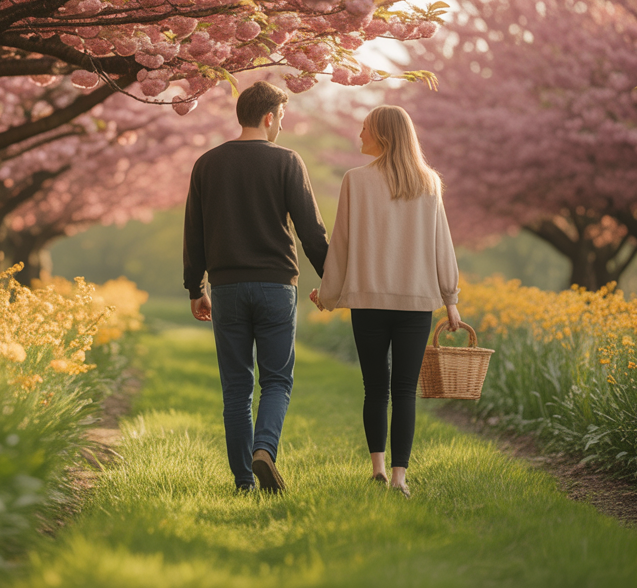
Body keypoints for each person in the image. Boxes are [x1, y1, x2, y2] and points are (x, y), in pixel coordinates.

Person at [183, 81, 329, 493]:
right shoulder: (287, 161)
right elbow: (311, 232)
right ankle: (264, 449)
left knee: (236, 389)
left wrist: (195, 288)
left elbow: (193, 232)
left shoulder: (207, 163)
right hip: (276, 286)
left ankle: (244, 482)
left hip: (226, 287)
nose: (281, 125)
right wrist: (334, 280)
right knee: (277, 381)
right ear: (269, 117)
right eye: (281, 117)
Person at [311, 105, 461, 499]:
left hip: (368, 301)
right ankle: (399, 477)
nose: (359, 136)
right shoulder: (429, 182)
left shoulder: (355, 181)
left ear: (384, 136)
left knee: (375, 387)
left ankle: (377, 468)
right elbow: (441, 245)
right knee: (404, 391)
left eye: (365, 130)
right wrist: (451, 299)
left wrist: (327, 295)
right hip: (417, 303)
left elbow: (340, 244)